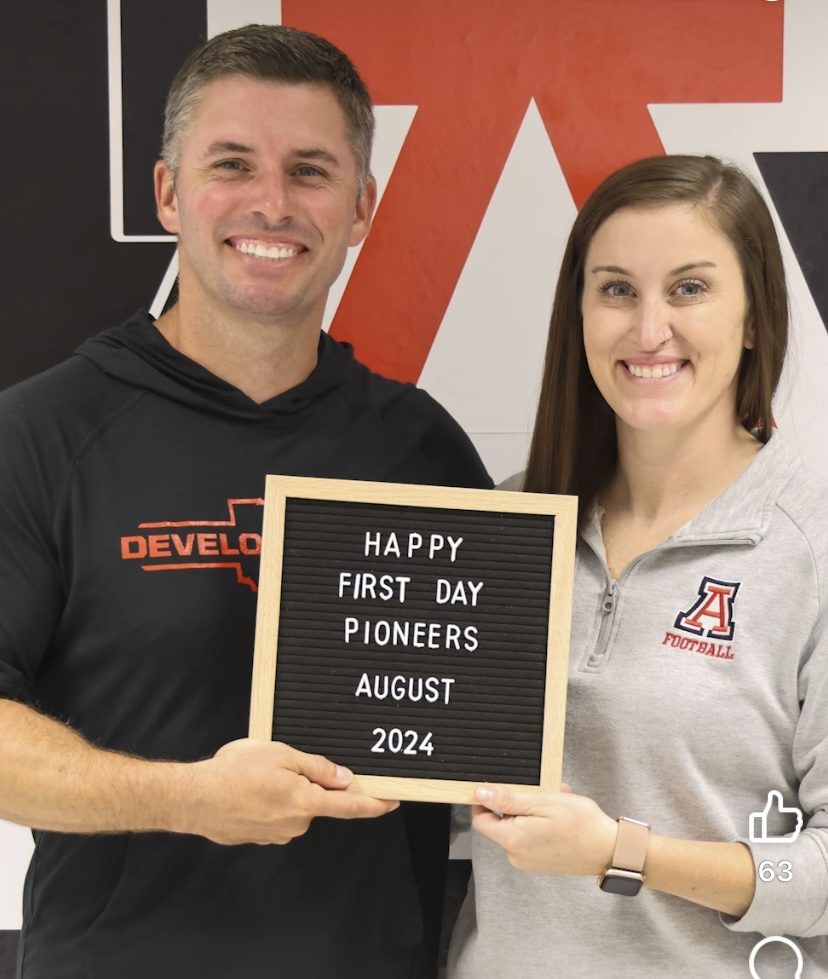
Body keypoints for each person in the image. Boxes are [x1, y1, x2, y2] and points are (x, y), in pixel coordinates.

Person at [0, 24, 490, 979]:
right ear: (169, 193)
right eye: (233, 164)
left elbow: (494, 715)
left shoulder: (423, 447)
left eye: (311, 171)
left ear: (360, 208)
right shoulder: (40, 433)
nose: (272, 202)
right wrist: (189, 797)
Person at [447, 155, 828, 977]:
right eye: (617, 289)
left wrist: (622, 850)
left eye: (689, 288)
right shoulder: (509, 527)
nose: (649, 328)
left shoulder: (815, 548)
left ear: (756, 316)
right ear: (578, 313)